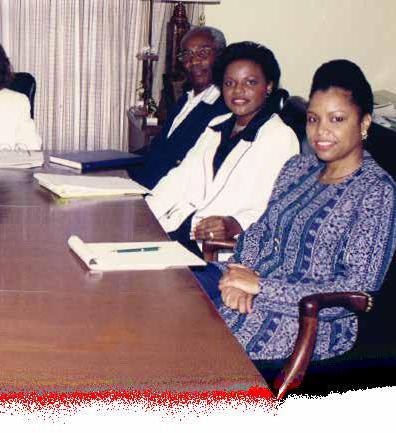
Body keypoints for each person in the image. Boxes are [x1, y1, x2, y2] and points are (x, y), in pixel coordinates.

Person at [194, 60, 396, 360]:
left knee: (190, 348)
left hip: (305, 316)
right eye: (313, 119)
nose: (321, 131)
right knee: (168, 293)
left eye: (337, 119)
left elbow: (357, 289)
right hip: (246, 280)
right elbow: (260, 231)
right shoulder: (297, 168)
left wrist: (260, 287)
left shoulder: (375, 191)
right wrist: (240, 273)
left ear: (364, 123)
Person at [146, 41, 299, 256]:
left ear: (268, 87)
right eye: (229, 83)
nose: (238, 90)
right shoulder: (216, 125)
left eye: (250, 82)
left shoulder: (280, 137)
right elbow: (179, 178)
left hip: (221, 249)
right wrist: (143, 213)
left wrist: (234, 223)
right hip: (181, 230)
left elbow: (278, 208)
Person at [128, 26, 230, 189]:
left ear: (221, 55)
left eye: (203, 53)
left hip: (165, 191)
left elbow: (188, 169)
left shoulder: (224, 108)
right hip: (144, 182)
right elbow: (159, 148)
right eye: (187, 54)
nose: (194, 61)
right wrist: (118, 161)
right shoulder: (185, 100)